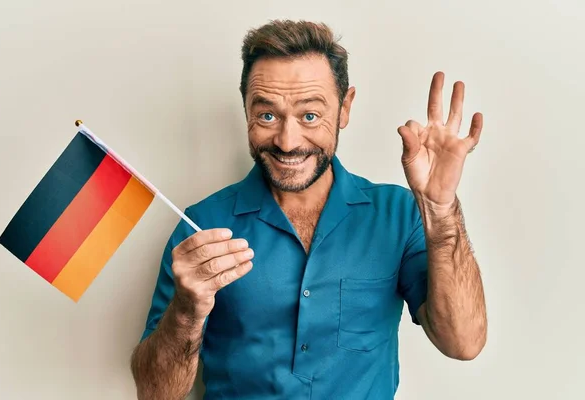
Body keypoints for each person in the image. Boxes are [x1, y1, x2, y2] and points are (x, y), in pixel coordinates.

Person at [130, 19, 487, 400]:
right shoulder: (201, 226)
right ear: (246, 108)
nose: (287, 141)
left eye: (310, 116)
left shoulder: (398, 214)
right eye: (267, 115)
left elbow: (463, 343)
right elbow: (155, 393)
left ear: (345, 108)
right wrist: (186, 311)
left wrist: (440, 208)